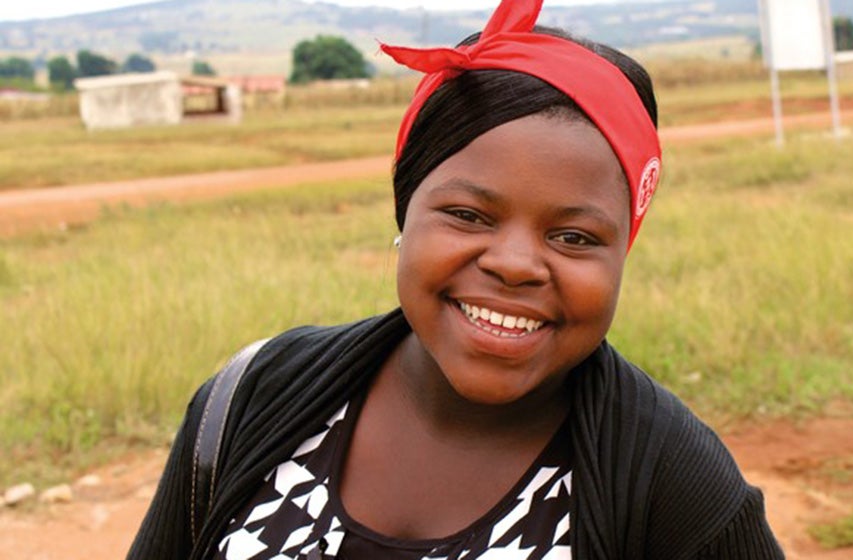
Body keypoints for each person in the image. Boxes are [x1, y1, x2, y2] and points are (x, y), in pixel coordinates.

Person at [128, 1, 783, 558]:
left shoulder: (672, 484)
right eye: (469, 215)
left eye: (574, 237)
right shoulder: (250, 399)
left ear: (623, 253)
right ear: (404, 213)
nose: (515, 264)